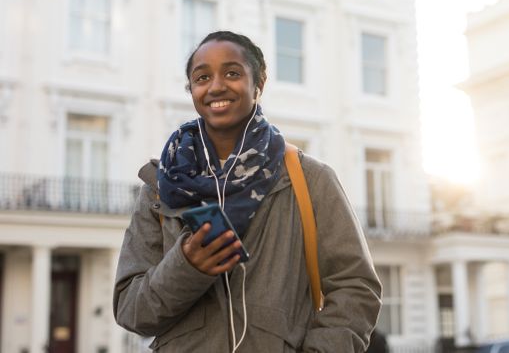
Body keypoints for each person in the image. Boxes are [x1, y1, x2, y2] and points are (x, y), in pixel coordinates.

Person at [113, 31, 382, 352]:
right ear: (192, 91)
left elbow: (356, 286)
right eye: (202, 77)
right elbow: (131, 310)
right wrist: (187, 266)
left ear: (259, 85)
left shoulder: (310, 178)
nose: (216, 86)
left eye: (232, 73)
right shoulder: (160, 186)